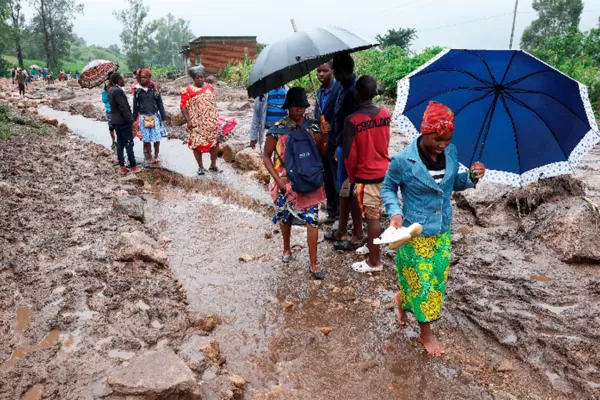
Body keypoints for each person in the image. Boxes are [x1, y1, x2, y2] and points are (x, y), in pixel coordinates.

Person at [381, 101, 486, 357]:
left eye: (447, 140)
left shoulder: (451, 154)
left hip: (441, 230)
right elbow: (387, 188)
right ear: (424, 131)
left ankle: (401, 301)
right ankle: (426, 333)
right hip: (413, 232)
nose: (442, 145)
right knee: (424, 285)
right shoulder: (403, 160)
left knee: (435, 280)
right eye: (437, 139)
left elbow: (451, 185)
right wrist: (395, 212)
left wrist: (471, 176)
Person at [262, 87, 329, 280]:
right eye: (295, 106)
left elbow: (322, 154)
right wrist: (277, 180)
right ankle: (286, 249)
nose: (299, 109)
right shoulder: (276, 129)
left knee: (312, 221)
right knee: (285, 217)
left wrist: (324, 135)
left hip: (309, 180)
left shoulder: (314, 126)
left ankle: (314, 264)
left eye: (302, 105)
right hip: (284, 183)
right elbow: (266, 156)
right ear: (288, 107)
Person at [344, 75, 391, 273]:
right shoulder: (385, 113)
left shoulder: (352, 120)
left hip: (366, 175)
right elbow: (385, 141)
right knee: (375, 213)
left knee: (372, 217)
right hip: (385, 171)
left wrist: (353, 179)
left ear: (357, 93)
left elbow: (350, 155)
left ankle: (374, 261)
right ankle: (373, 247)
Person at [326, 52, 364, 251]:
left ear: (340, 71)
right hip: (342, 146)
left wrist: (341, 147)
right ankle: (342, 229)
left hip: (348, 148)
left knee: (348, 192)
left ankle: (356, 233)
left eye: (334, 70)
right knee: (344, 191)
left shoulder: (351, 91)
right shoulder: (343, 87)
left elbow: (349, 124)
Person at [315, 61, 342, 224]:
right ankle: (332, 211)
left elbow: (342, 116)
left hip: (335, 142)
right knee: (326, 178)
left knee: (336, 177)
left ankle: (340, 214)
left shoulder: (339, 90)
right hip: (322, 143)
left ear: (332, 70)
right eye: (318, 71)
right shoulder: (319, 92)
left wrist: (332, 128)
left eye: (324, 71)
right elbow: (316, 116)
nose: (321, 74)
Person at [180, 65, 220, 175]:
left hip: (211, 122)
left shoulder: (209, 87)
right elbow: (183, 107)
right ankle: (201, 166)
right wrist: (188, 121)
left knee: (214, 143)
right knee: (196, 144)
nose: (200, 79)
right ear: (193, 78)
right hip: (196, 122)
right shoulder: (187, 91)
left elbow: (212, 104)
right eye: (197, 77)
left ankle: (213, 164)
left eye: (202, 77)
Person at [108, 72, 141, 175]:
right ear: (119, 80)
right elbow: (123, 108)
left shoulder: (111, 90)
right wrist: (132, 121)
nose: (124, 80)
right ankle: (133, 166)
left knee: (120, 144)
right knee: (129, 143)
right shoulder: (118, 91)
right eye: (122, 79)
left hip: (115, 121)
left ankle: (122, 167)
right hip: (123, 122)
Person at [133, 69, 168, 164]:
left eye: (145, 77)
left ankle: (156, 155)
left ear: (149, 78)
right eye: (141, 78)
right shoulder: (137, 91)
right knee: (146, 138)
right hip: (144, 117)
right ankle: (150, 156)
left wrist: (164, 116)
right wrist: (133, 119)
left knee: (157, 137)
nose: (143, 79)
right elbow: (135, 106)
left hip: (154, 116)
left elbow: (160, 103)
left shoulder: (155, 90)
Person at [250, 85, 289, 150]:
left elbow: (292, 113)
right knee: (268, 155)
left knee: (282, 156)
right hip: (268, 132)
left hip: (284, 131)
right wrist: (253, 137)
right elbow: (256, 116)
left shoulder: (287, 90)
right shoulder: (262, 93)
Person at [102, 76, 116, 148]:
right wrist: (108, 94)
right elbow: (104, 101)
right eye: (107, 86)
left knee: (118, 126)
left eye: (109, 86)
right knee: (111, 127)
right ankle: (113, 140)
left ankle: (119, 140)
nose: (108, 87)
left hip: (116, 111)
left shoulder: (115, 90)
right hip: (109, 111)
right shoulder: (104, 93)